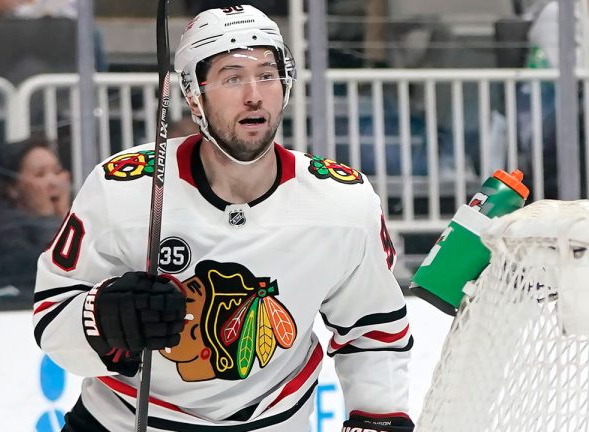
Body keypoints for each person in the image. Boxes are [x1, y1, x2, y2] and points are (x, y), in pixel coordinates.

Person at [33, 5, 413, 431]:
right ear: (194, 94)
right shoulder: (123, 188)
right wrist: (105, 318)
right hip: (122, 422)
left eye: (267, 75)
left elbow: (373, 327)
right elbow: (51, 315)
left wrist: (376, 418)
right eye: (233, 77)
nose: (254, 94)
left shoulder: (343, 201)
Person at [0, 137, 71, 293]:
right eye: (40, 175)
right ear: (12, 188)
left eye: (57, 171)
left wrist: (66, 218)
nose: (53, 181)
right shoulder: (1, 233)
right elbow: (51, 273)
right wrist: (47, 220)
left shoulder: (83, 217)